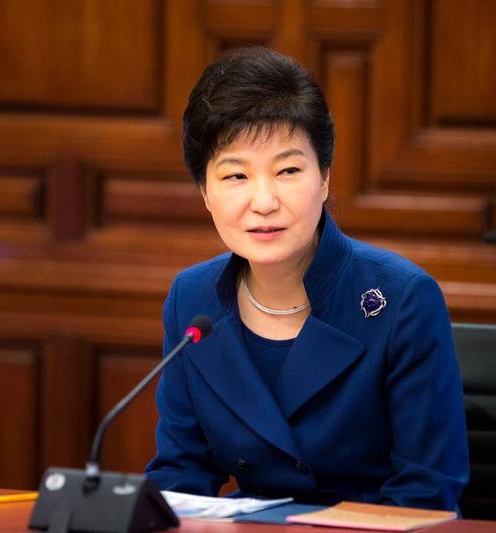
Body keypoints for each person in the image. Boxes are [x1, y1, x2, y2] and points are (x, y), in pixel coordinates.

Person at [145, 46, 468, 511]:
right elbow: (181, 473)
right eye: (235, 175)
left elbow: (425, 495)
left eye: (288, 170)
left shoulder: (402, 300)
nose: (263, 201)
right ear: (205, 193)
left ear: (325, 178)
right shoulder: (192, 299)